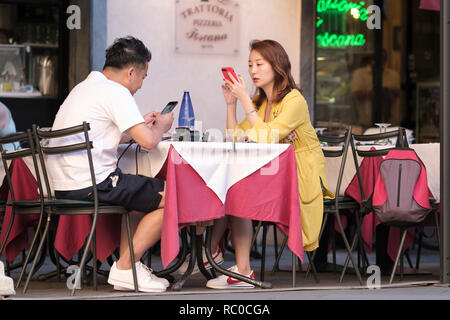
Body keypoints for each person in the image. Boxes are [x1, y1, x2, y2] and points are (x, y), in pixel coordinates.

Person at [202, 39, 334, 289]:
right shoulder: (262, 103)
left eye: (259, 64)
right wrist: (231, 104)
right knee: (226, 185)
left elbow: (264, 136)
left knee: (238, 188)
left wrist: (245, 102)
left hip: (299, 176)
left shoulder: (294, 100)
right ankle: (222, 259)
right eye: (250, 64)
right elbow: (233, 138)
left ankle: (229, 264)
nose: (252, 70)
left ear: (277, 66)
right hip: (274, 173)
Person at [48, 36, 174, 293]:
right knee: (175, 196)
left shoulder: (85, 86)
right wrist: (161, 126)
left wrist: (136, 124)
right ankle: (125, 267)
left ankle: (131, 266)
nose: (140, 85)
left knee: (143, 194)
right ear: (131, 72)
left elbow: (103, 133)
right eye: (143, 77)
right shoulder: (116, 91)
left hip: (62, 186)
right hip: (93, 184)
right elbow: (149, 143)